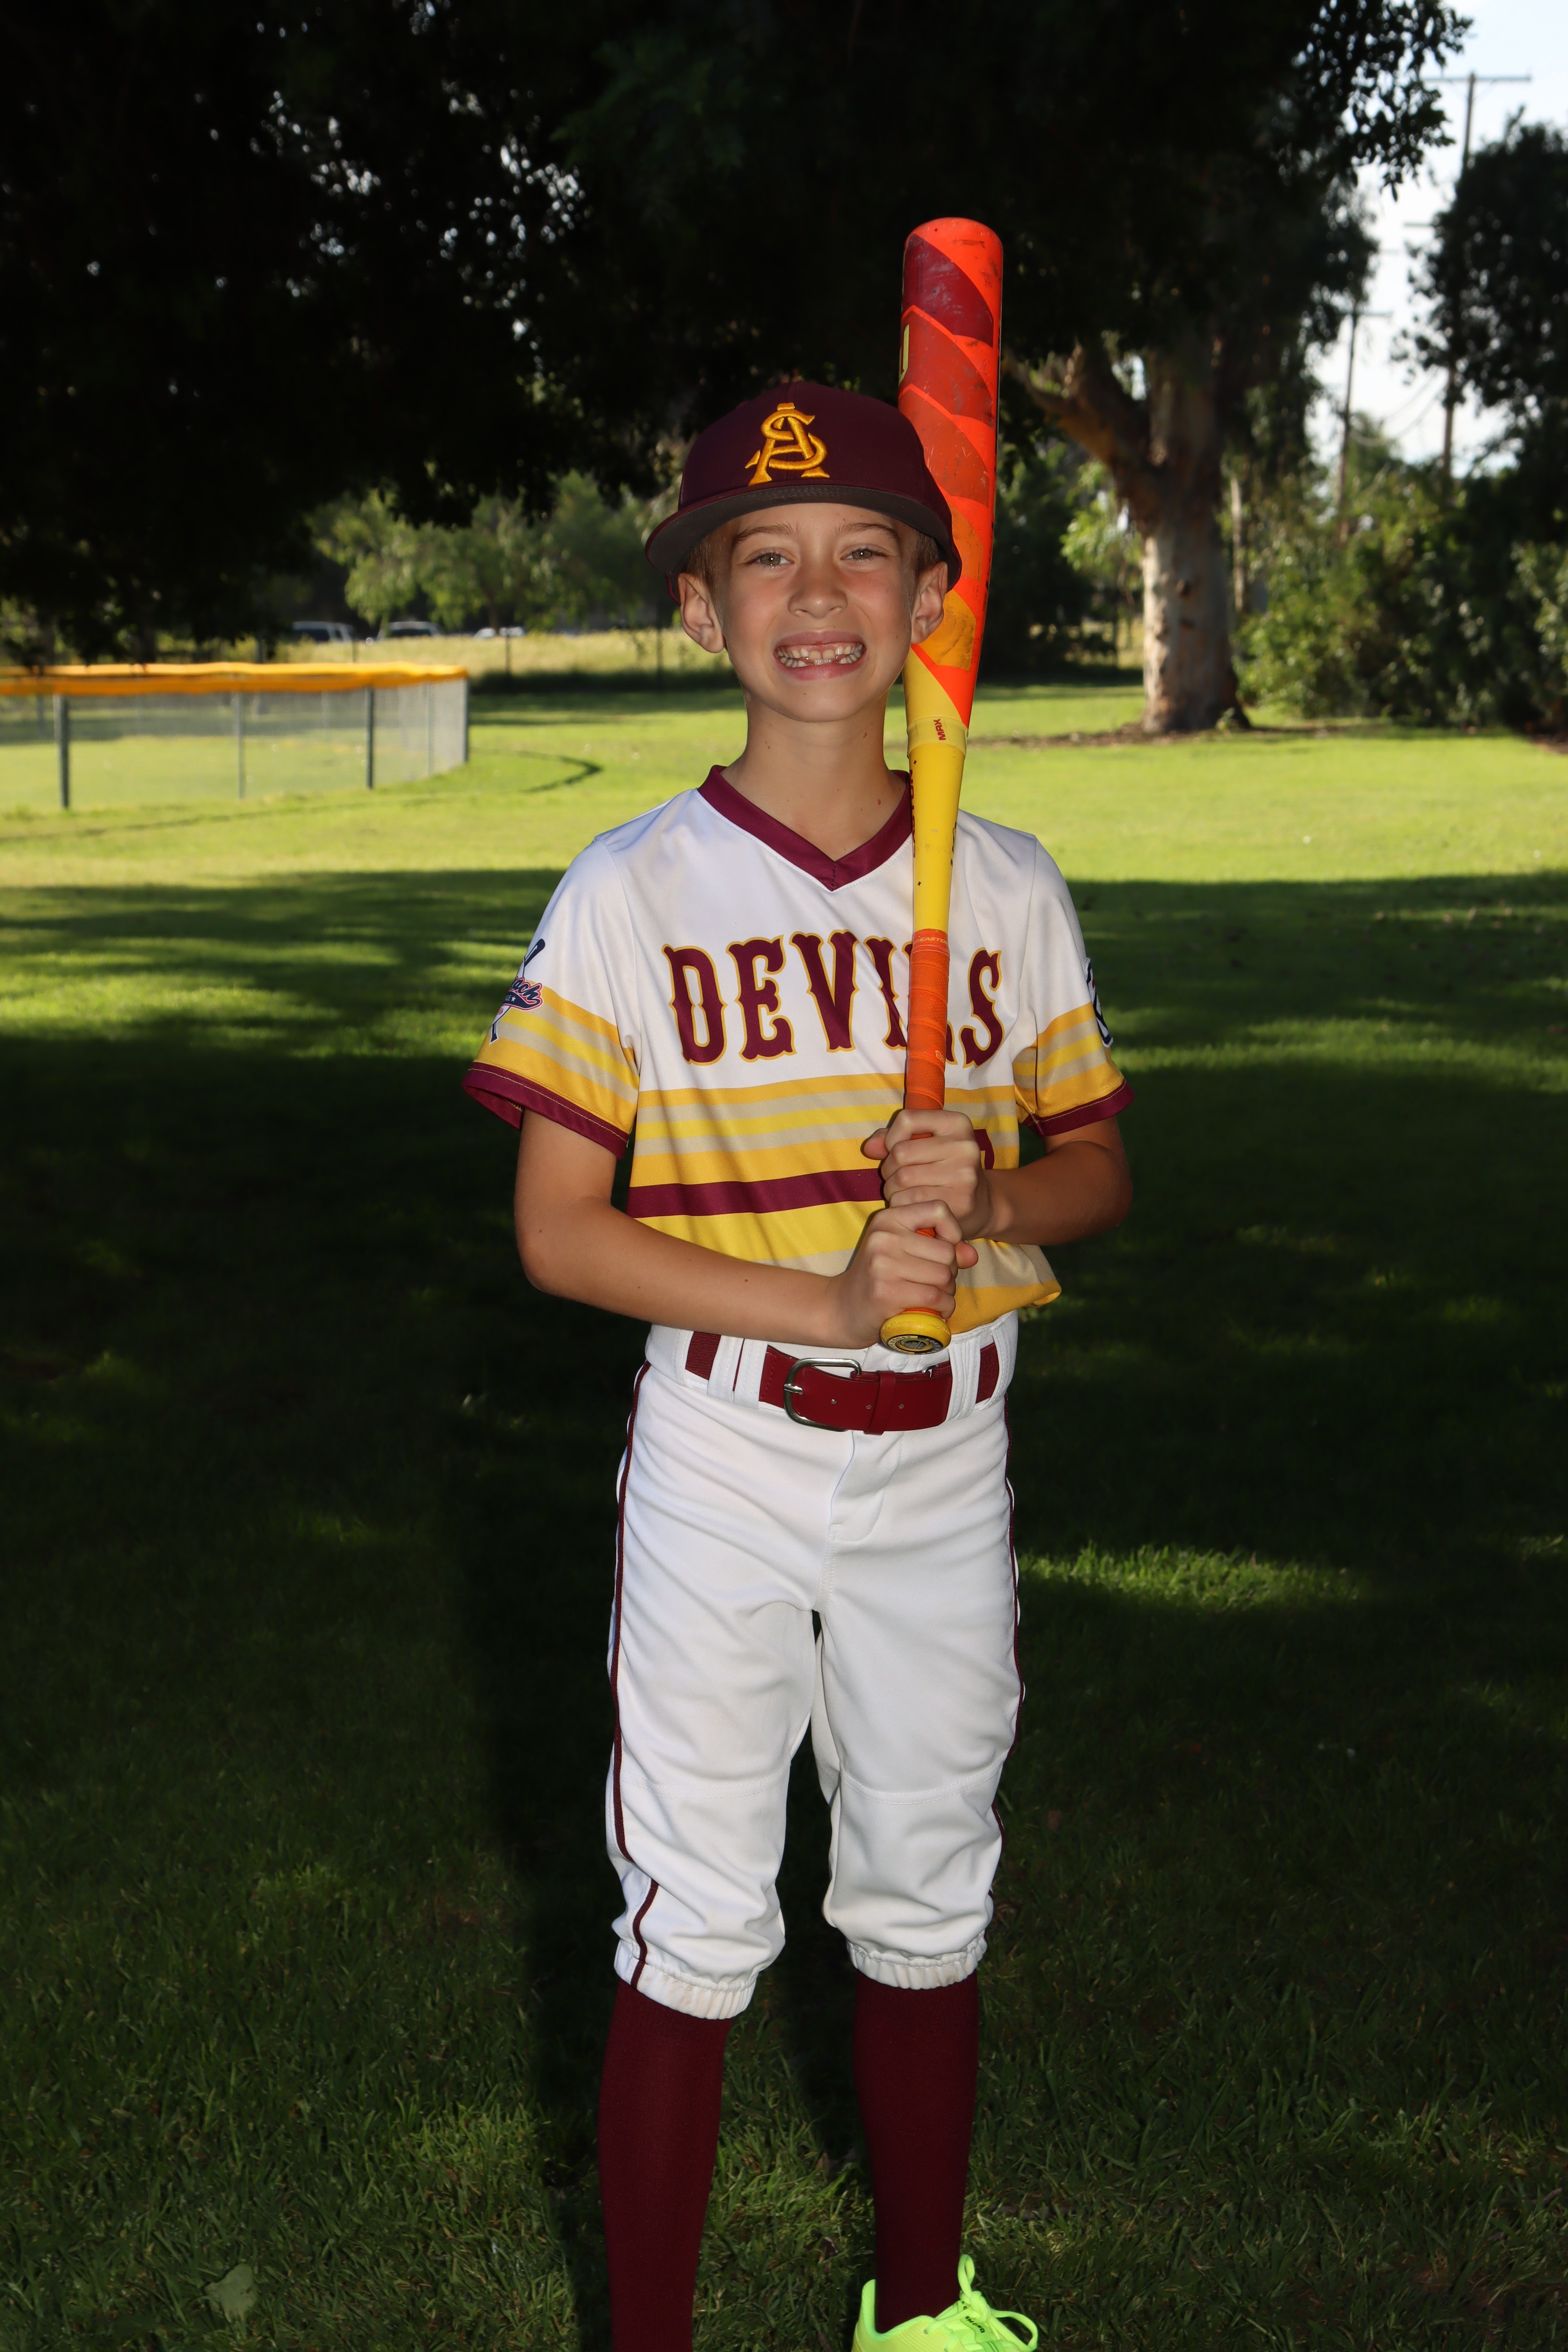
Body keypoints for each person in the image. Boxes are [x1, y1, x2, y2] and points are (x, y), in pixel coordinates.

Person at [464, 384, 1132, 2352]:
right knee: (693, 1914)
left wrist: (989, 1197)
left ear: (932, 600)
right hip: (728, 1451)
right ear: (701, 609)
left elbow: (1097, 1171)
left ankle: (919, 2312)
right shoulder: (633, 889)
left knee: (926, 1889)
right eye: (763, 557)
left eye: (864, 554)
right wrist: (829, 1308)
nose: (816, 595)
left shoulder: (1002, 883)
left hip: (947, 1463)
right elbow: (558, 1230)